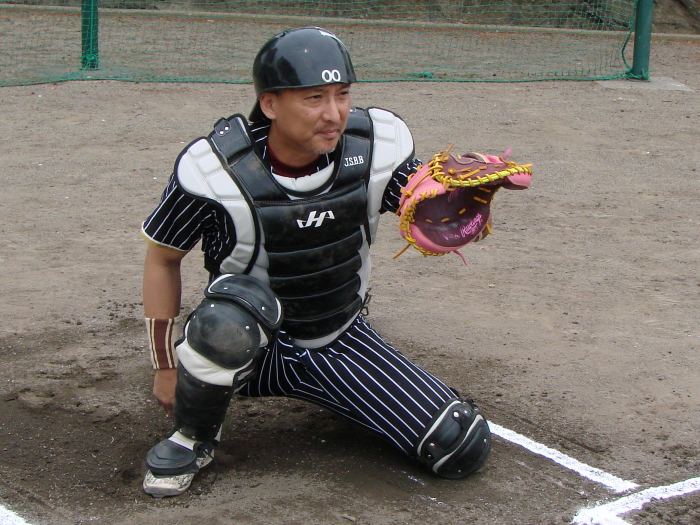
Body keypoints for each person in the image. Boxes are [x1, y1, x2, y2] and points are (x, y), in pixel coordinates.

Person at [140, 26, 492, 498]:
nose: (334, 113)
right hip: (250, 349)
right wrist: (165, 366)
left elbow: (422, 205)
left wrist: (461, 208)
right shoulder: (215, 171)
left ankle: (340, 388)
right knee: (225, 322)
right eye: (314, 98)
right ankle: (194, 435)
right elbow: (162, 259)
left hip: (337, 334)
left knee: (459, 447)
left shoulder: (374, 146)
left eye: (342, 94)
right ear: (270, 104)